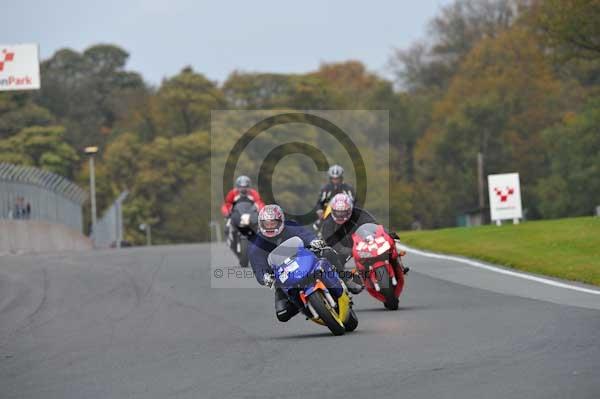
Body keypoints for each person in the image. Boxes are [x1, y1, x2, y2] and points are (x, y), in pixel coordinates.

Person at [248, 204, 361, 323]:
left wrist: (314, 241)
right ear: (261, 224)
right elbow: (258, 267)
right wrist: (265, 277)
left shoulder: (291, 227)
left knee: (327, 252)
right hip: (282, 277)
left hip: (304, 260)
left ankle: (345, 278)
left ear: (281, 221)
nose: (270, 227)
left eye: (273, 223)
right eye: (267, 224)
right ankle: (304, 306)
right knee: (283, 314)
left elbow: (305, 234)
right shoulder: (256, 244)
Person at [321, 193, 409, 282]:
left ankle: (397, 265)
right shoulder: (328, 222)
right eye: (338, 212)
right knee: (332, 261)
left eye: (343, 212)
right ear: (332, 210)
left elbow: (374, 225)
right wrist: (346, 250)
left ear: (350, 209)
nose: (340, 215)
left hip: (361, 240)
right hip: (342, 246)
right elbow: (331, 242)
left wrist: (388, 233)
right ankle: (346, 282)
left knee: (384, 243)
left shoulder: (358, 213)